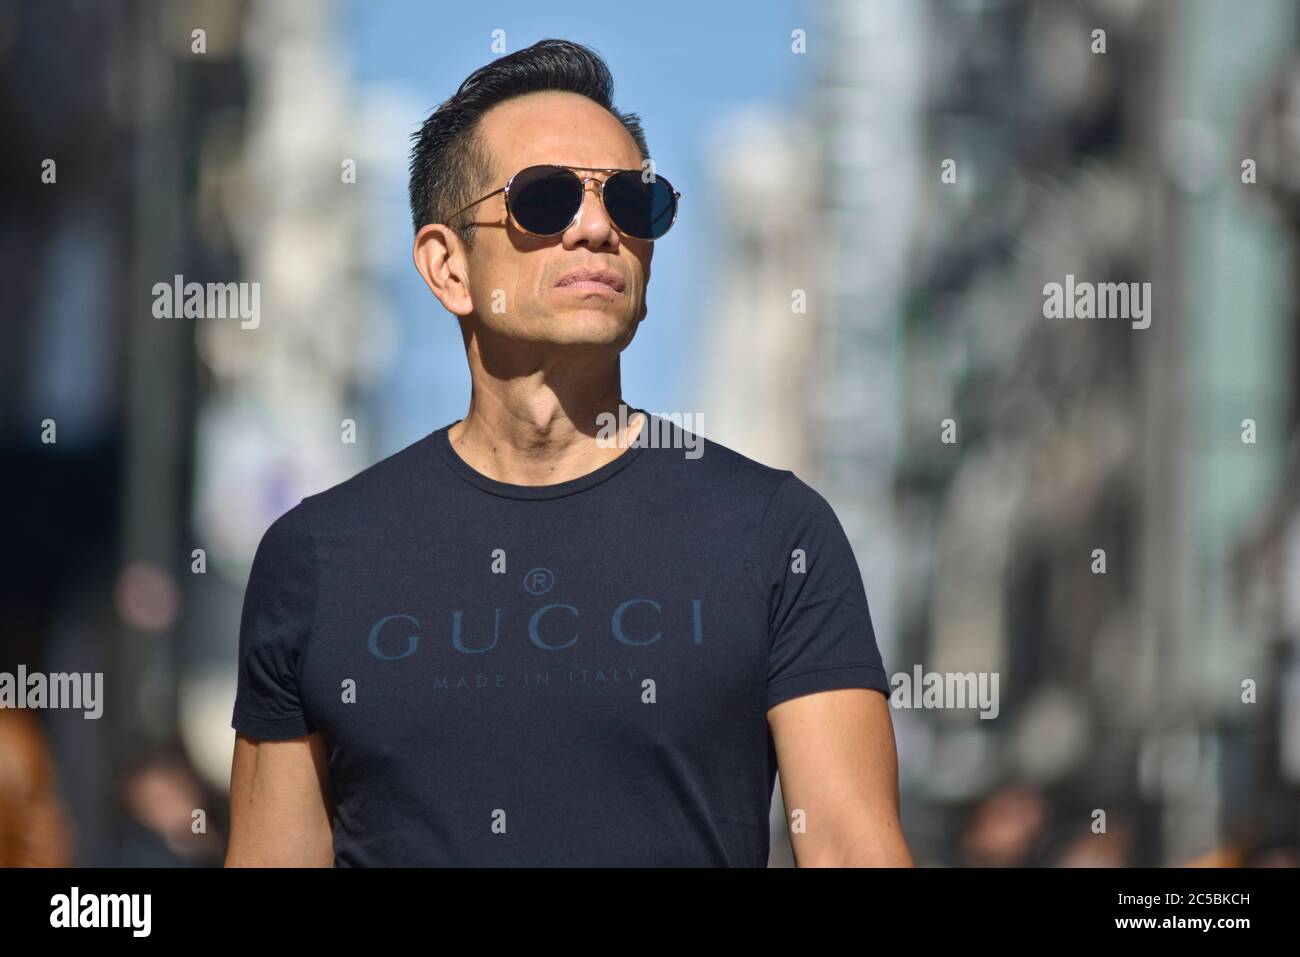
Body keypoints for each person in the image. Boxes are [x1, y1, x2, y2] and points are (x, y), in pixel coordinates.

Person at [226, 38, 911, 867]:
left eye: (633, 202)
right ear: (448, 268)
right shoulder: (317, 557)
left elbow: (847, 848)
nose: (597, 228)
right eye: (545, 199)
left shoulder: (775, 533)